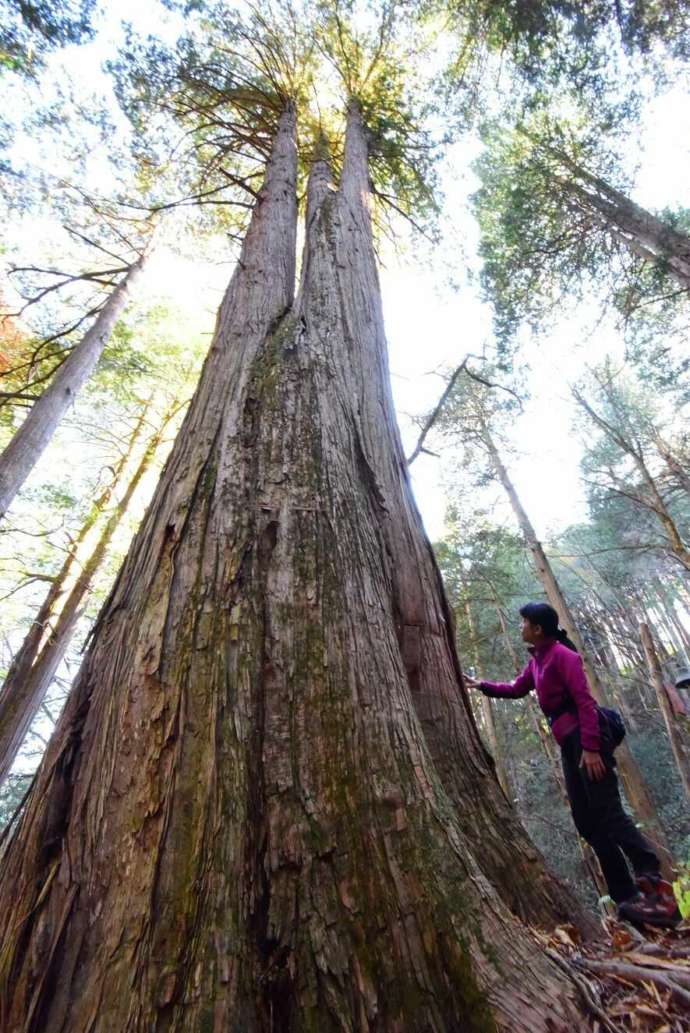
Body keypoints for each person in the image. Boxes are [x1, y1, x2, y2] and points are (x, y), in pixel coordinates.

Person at [464, 601, 680, 928]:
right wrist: (481, 685)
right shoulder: (538, 659)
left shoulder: (564, 656)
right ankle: (626, 898)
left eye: (524, 623)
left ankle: (654, 883)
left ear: (538, 628)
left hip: (587, 740)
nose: (520, 628)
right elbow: (516, 688)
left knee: (609, 812)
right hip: (570, 745)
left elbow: (585, 702)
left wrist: (591, 749)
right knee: (586, 821)